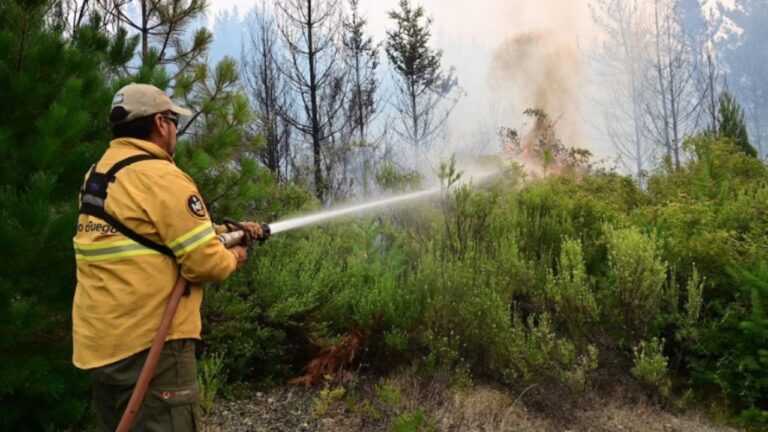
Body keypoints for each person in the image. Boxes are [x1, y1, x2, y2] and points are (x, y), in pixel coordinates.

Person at [72, 83, 262, 431]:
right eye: (174, 121)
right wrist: (234, 254)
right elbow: (205, 263)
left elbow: (151, 236)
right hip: (151, 346)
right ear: (160, 123)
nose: (176, 130)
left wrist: (221, 231)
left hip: (101, 344)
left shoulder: (99, 175)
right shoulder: (162, 177)